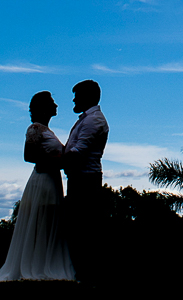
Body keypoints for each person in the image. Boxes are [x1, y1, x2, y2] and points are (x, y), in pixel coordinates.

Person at [0, 91, 75, 282]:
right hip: (43, 181)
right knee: (42, 220)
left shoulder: (47, 130)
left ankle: (45, 261)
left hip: (52, 180)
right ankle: (36, 265)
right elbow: (29, 156)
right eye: (52, 102)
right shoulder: (35, 129)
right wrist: (60, 160)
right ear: (44, 107)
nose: (56, 105)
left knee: (50, 222)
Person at [62, 79, 109, 283]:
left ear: (87, 97)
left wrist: (51, 161)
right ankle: (81, 273)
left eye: (77, 96)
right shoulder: (86, 119)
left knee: (84, 229)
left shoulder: (93, 121)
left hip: (86, 181)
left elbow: (78, 152)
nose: (73, 100)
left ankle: (87, 275)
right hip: (80, 179)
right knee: (78, 228)